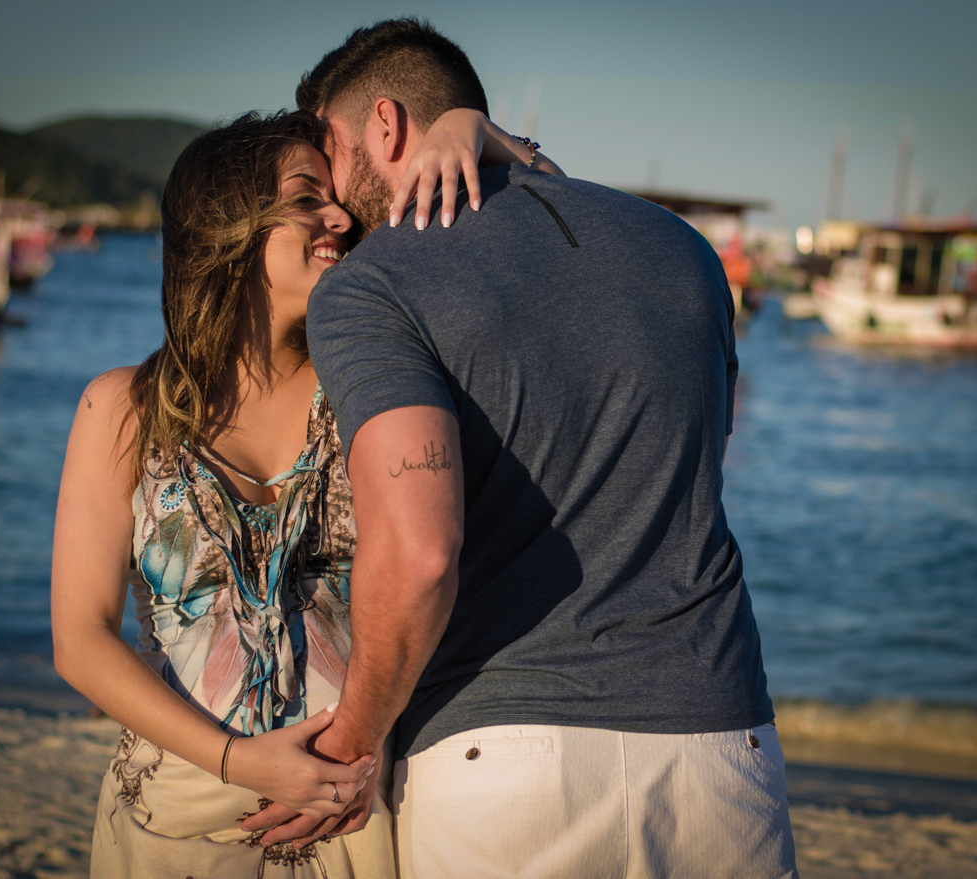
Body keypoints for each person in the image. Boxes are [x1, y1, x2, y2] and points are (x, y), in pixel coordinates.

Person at [241, 18, 800, 879]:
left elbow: (421, 552)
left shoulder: (372, 283)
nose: (334, 204)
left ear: (384, 126)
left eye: (328, 148)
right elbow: (693, 463)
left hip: (502, 756)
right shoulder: (685, 253)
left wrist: (351, 745)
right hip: (722, 741)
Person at [50, 106, 548, 877]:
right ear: (231, 222)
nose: (340, 217)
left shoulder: (374, 399)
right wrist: (237, 759)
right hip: (171, 823)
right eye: (307, 196)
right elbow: (80, 639)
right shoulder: (120, 409)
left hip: (347, 818)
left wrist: (467, 127)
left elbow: (544, 236)